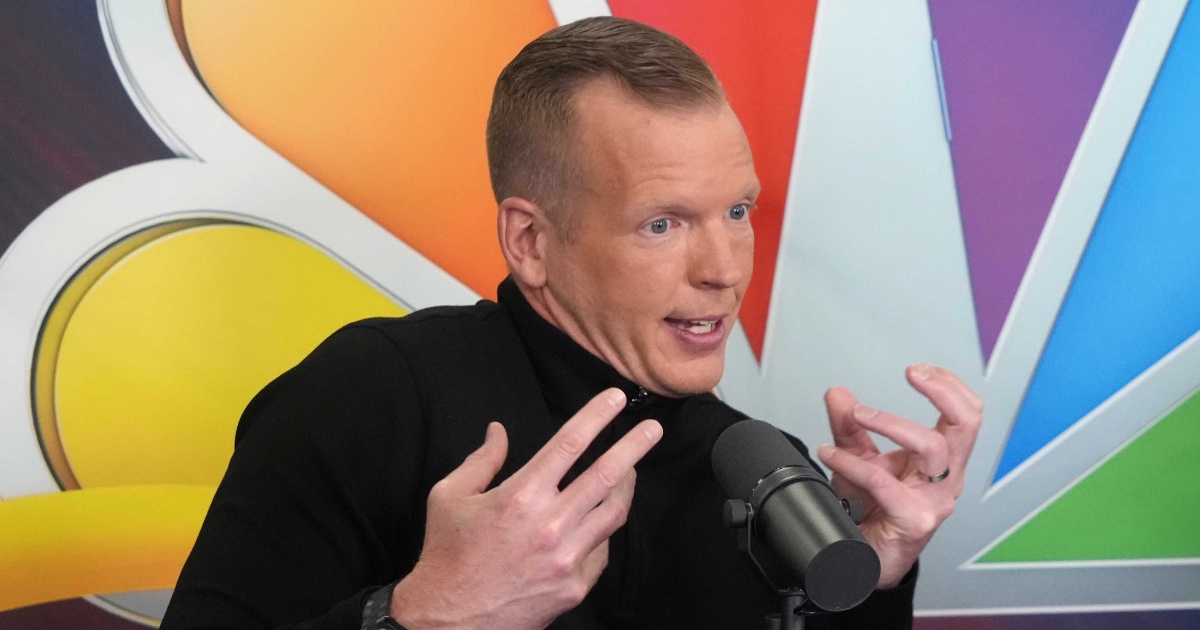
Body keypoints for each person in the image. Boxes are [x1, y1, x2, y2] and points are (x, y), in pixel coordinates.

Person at [161, 16, 981, 630]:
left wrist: (871, 582)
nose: (725, 269)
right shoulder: (370, 395)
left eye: (737, 211)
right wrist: (423, 618)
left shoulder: (764, 471)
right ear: (530, 241)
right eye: (662, 223)